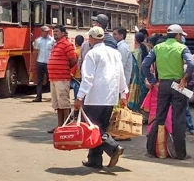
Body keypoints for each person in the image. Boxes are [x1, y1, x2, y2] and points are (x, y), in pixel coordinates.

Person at [74, 26, 126, 169]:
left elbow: (88, 78)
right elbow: (120, 74)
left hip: (94, 97)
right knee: (100, 126)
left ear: (91, 39)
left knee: (93, 128)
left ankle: (112, 147)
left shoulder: (92, 54)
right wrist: (123, 93)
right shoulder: (115, 53)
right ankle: (95, 159)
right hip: (110, 97)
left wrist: (79, 97)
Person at [142, 24, 194, 160]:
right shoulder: (182, 47)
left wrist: (152, 80)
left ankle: (151, 150)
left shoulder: (158, 48)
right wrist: (185, 78)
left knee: (159, 117)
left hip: (163, 84)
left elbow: (145, 65)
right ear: (178, 36)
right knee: (178, 119)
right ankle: (180, 153)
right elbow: (192, 64)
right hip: (178, 85)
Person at [47, 25, 77, 133]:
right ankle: (60, 126)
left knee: (64, 103)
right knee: (57, 104)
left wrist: (64, 68)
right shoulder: (56, 44)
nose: (54, 33)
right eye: (54, 31)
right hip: (54, 78)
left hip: (62, 78)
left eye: (57, 32)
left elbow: (73, 60)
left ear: (63, 33)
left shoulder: (67, 45)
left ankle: (67, 126)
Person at [32, 25, 54, 102]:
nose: (47, 33)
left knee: (51, 81)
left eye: (47, 31)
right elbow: (36, 52)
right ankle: (38, 97)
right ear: (42, 32)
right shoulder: (38, 41)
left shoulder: (52, 40)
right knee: (39, 81)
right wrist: (34, 63)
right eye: (45, 31)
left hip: (49, 63)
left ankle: (53, 97)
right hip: (40, 62)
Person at [128, 31, 148, 111]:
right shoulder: (146, 48)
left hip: (137, 75)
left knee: (136, 92)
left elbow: (134, 66)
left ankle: (135, 108)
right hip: (144, 74)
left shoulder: (136, 52)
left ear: (135, 40)